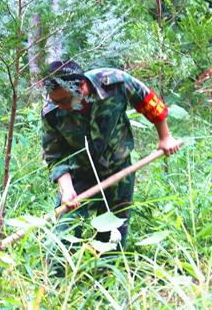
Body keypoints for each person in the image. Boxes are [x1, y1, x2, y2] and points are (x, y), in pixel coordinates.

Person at [41, 60, 181, 263]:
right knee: (62, 233)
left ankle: (106, 280)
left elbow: (148, 101)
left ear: (81, 87)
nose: (59, 105)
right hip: (80, 172)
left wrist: (165, 137)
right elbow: (54, 155)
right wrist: (67, 188)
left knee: (114, 233)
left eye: (63, 100)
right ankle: (57, 280)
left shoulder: (114, 82)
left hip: (118, 169)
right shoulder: (52, 113)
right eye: (55, 101)